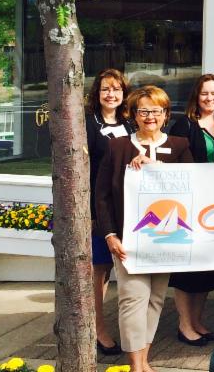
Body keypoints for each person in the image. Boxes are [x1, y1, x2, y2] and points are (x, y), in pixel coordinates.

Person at [95, 86, 193, 372]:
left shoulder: (180, 145)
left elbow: (192, 185)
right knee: (133, 298)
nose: (150, 116)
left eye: (156, 111)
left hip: (167, 239)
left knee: (156, 299)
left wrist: (155, 166)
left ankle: (144, 359)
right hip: (128, 240)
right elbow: (102, 196)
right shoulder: (117, 147)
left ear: (166, 114)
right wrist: (110, 235)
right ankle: (136, 365)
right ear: (134, 115)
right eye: (144, 111)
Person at [167, 74, 214, 346]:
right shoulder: (185, 125)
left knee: (207, 267)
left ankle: (198, 321)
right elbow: (172, 161)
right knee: (187, 268)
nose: (209, 98)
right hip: (190, 207)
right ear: (197, 95)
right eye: (205, 93)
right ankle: (184, 325)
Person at [86, 68, 132, 356]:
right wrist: (92, 212)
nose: (111, 94)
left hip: (125, 209)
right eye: (105, 89)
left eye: (116, 89)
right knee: (99, 271)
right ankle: (97, 329)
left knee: (116, 271)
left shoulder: (130, 123)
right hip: (99, 208)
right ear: (97, 92)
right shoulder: (89, 123)